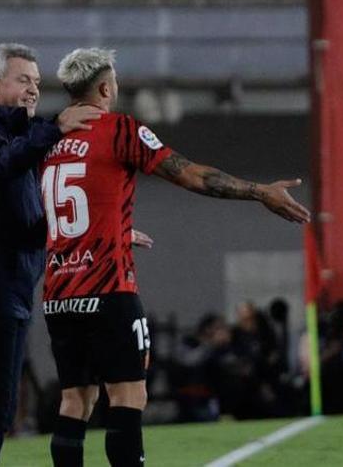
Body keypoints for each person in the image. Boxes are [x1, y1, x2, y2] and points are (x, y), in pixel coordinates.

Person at [41, 48, 309, 466]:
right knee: (128, 396)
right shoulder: (119, 130)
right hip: (108, 289)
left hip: (59, 294)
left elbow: (56, 211)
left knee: (75, 400)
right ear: (106, 88)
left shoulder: (47, 141)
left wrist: (111, 231)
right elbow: (190, 174)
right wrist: (259, 192)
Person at [0, 43, 102, 466]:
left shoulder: (15, 136)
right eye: (23, 80)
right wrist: (54, 128)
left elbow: (30, 224)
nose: (33, 90)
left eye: (36, 82)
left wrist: (98, 230)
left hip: (1, 287)